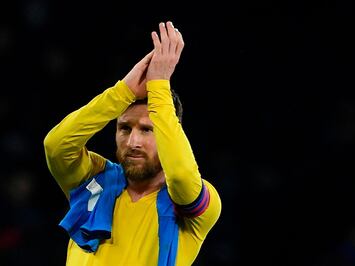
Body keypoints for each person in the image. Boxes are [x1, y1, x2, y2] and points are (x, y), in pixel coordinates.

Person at [43, 21, 222, 266]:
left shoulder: (194, 202)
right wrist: (123, 91)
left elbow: (180, 175)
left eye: (147, 130)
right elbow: (56, 146)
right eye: (125, 128)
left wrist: (159, 86)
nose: (133, 142)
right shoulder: (95, 181)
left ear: (170, 135)